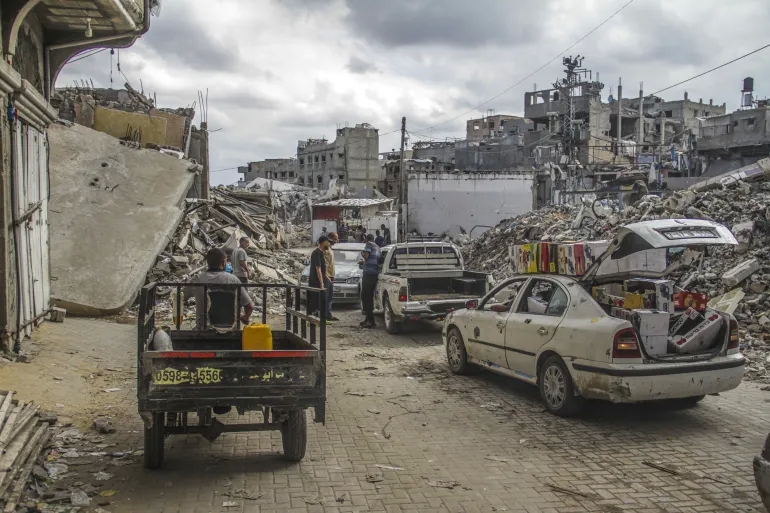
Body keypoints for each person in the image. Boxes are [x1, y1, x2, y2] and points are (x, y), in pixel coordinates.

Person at [185, 248, 254, 330]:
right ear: (224, 262)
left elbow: (179, 297)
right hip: (231, 332)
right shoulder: (233, 280)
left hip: (204, 331)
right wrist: (246, 317)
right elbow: (250, 306)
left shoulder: (197, 279)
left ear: (207, 262)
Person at [308, 235, 332, 324]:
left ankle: (321, 320)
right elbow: (318, 269)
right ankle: (311, 320)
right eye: (328, 242)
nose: (329, 244)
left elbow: (322, 269)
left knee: (322, 302)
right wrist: (321, 285)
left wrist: (327, 277)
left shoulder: (321, 253)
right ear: (323, 242)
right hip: (316, 283)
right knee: (315, 302)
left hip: (321, 282)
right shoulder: (316, 253)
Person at [360, 233, 380, 329]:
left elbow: (366, 256)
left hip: (368, 274)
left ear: (366, 239)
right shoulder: (378, 247)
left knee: (365, 295)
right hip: (375, 273)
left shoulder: (368, 245)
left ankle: (369, 320)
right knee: (369, 296)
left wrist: (362, 254)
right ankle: (369, 319)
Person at [324, 232, 340, 321]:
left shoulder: (330, 248)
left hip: (331, 276)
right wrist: (327, 277)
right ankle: (325, 315)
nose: (337, 241)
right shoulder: (326, 250)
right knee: (327, 297)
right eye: (335, 239)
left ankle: (328, 314)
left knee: (329, 297)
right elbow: (324, 266)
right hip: (328, 277)